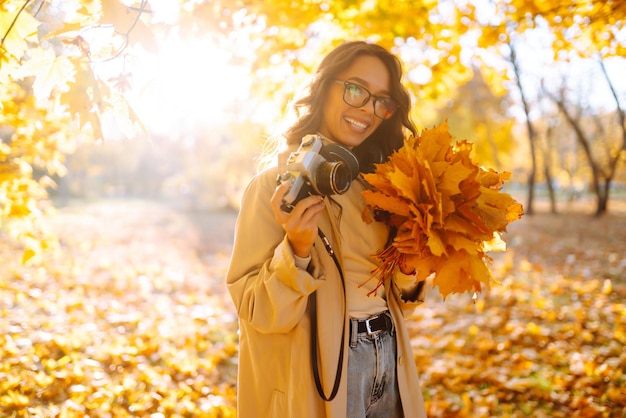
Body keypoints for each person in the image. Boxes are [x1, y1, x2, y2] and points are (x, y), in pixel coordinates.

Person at [226, 40, 427, 418]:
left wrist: (409, 267)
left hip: (389, 355)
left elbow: (396, 299)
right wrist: (296, 251)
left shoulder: (383, 191)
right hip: (324, 372)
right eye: (356, 90)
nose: (367, 110)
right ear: (324, 87)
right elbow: (256, 312)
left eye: (381, 101)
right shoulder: (273, 189)